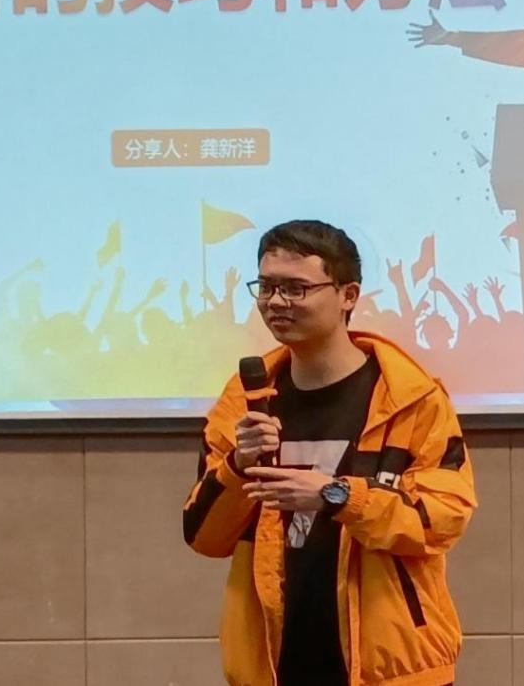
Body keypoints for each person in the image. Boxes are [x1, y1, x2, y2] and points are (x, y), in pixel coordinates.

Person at [183, 220, 477, 686]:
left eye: (296, 289)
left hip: (389, 665)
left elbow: (441, 519)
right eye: (267, 287)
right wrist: (238, 467)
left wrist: (337, 495)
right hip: (276, 661)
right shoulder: (244, 402)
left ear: (348, 295)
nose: (276, 302)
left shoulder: (410, 400)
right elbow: (203, 536)